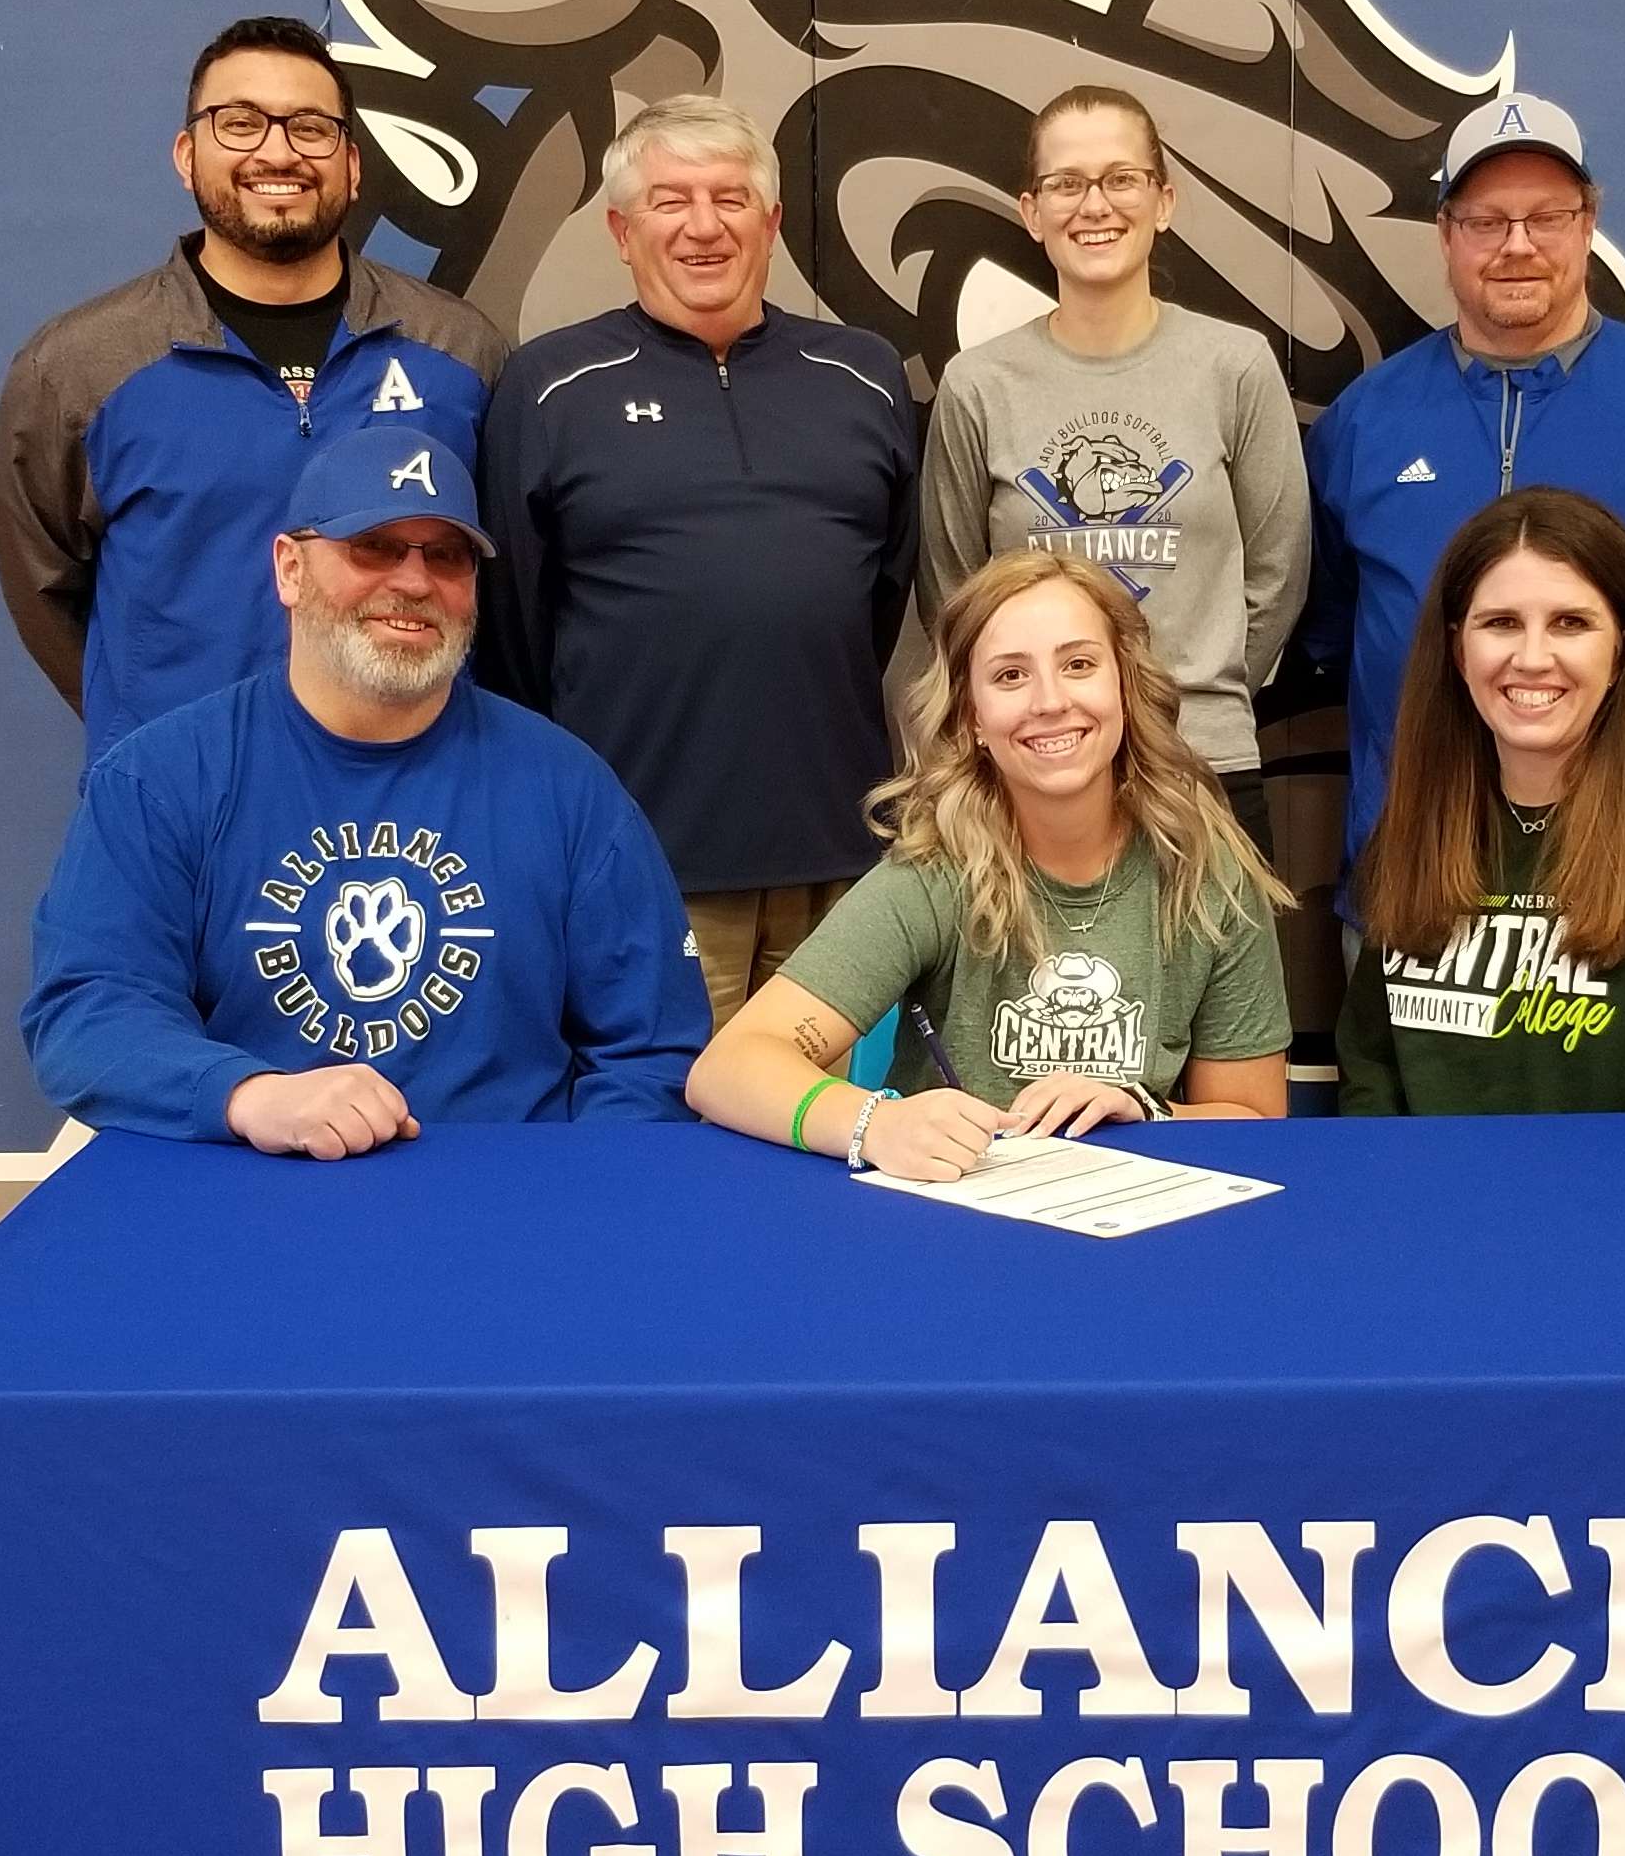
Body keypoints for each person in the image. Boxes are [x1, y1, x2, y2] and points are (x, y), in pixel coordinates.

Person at [22, 422, 704, 1158]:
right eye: (372, 546)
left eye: (446, 556)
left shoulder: (569, 790)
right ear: (289, 568)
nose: (413, 582)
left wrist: (570, 1196)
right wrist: (249, 1096)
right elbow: (88, 1009)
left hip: (506, 1209)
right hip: (253, 1191)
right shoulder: (161, 777)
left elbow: (652, 1051)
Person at [476, 92, 920, 1031]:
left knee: (830, 1132)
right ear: (621, 229)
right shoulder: (549, 384)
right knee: (670, 1134)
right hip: (644, 858)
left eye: (728, 199)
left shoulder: (864, 374)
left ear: (771, 222)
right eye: (670, 201)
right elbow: (511, 628)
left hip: (838, 854)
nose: (703, 227)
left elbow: (878, 598)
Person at [0, 13, 508, 773]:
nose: (276, 151)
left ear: (353, 164)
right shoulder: (77, 367)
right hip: (182, 801)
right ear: (186, 152)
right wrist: (149, 731)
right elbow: (46, 591)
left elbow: (502, 587)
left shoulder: (459, 351)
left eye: (310, 127)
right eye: (239, 123)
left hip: (416, 794)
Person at [1305, 89, 1625, 862]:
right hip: (1416, 857)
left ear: (1588, 223)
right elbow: (1336, 621)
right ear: (1446, 234)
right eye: (1485, 221)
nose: (1517, 245)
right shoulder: (1366, 419)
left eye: (1547, 217)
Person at [688, 549, 1290, 1181]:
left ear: (1125, 685)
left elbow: (1254, 1117)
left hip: (1142, 1227)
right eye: (1010, 676)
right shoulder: (933, 875)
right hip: (954, 1218)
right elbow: (726, 1069)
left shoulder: (1208, 875)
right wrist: (877, 1124)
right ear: (973, 717)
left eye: (1079, 664)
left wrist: (1146, 1109)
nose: (1050, 701)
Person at [921, 84, 1308, 854]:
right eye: (1067, 183)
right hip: (1039, 775)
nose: (1094, 205)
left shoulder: (1235, 366)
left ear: (1164, 200)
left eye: (1120, 179)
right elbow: (957, 596)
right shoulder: (978, 385)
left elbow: (1278, 576)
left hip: (1204, 764)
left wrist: (1175, 693)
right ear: (1033, 213)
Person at [1338, 488, 1625, 1117]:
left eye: (1570, 624)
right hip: (1432, 1207)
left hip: (1622, 1211)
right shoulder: (1418, 822)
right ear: (1457, 649)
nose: (1530, 658)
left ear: (1622, 652)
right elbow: (1371, 1077)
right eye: (1500, 623)